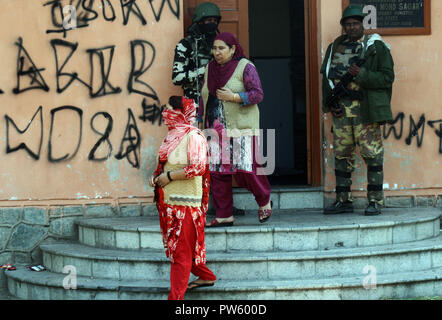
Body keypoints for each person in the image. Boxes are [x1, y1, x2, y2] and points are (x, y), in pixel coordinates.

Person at [321, 4, 395, 216]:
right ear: (343, 27)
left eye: (355, 24)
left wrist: (361, 74)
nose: (352, 27)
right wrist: (331, 104)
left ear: (363, 24)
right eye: (348, 24)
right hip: (342, 112)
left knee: (372, 155)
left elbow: (387, 77)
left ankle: (375, 202)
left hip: (365, 110)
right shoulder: (335, 47)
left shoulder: (374, 47)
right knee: (342, 156)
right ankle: (343, 200)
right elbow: (326, 77)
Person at [199, 32, 272, 227]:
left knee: (247, 169)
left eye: (221, 48)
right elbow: (203, 95)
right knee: (218, 172)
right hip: (214, 128)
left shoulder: (245, 67)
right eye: (214, 48)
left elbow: (257, 94)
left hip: (240, 127)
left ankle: (264, 200)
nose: (217, 52)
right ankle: (224, 214)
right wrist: (199, 120)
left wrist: (234, 97)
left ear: (232, 49)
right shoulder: (210, 68)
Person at [149, 96, 216, 300]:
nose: (165, 112)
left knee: (181, 254)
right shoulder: (173, 136)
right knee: (182, 249)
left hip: (185, 205)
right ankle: (207, 276)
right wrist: (157, 178)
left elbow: (198, 167)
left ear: (180, 113)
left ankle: (175, 298)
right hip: (170, 202)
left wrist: (167, 177)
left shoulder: (193, 136)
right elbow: (166, 165)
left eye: (169, 109)